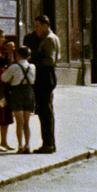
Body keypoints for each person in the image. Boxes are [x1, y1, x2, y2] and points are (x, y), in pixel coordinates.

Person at [27, 15, 60, 154]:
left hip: (46, 76)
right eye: (35, 27)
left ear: (46, 25)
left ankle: (48, 144)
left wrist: (33, 61)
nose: (36, 30)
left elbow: (50, 60)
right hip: (45, 76)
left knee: (45, 111)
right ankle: (48, 143)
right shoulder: (48, 38)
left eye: (38, 26)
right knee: (44, 111)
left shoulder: (49, 39)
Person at [0, 38, 36, 152]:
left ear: (17, 55)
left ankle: (20, 145)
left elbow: (4, 78)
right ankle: (28, 145)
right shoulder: (32, 67)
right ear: (29, 56)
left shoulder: (14, 67)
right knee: (27, 122)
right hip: (29, 92)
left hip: (17, 92)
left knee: (19, 122)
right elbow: (33, 80)